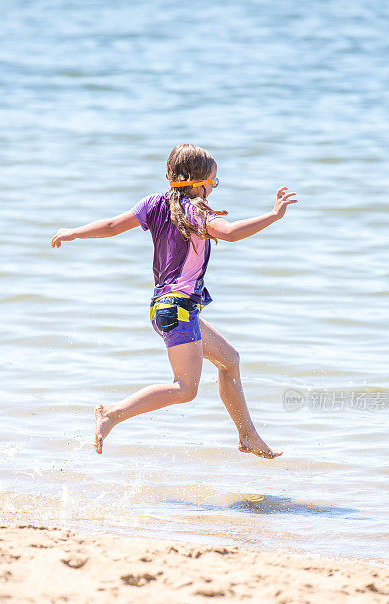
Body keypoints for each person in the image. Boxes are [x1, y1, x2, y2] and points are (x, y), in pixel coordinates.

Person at [51, 143, 297, 457]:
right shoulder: (196, 211)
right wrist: (274, 215)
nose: (214, 188)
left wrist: (73, 232)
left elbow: (112, 226)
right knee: (185, 389)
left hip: (169, 308)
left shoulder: (154, 203)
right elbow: (231, 232)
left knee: (230, 360)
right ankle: (111, 414)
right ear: (198, 182)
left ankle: (247, 435)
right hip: (177, 310)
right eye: (214, 182)